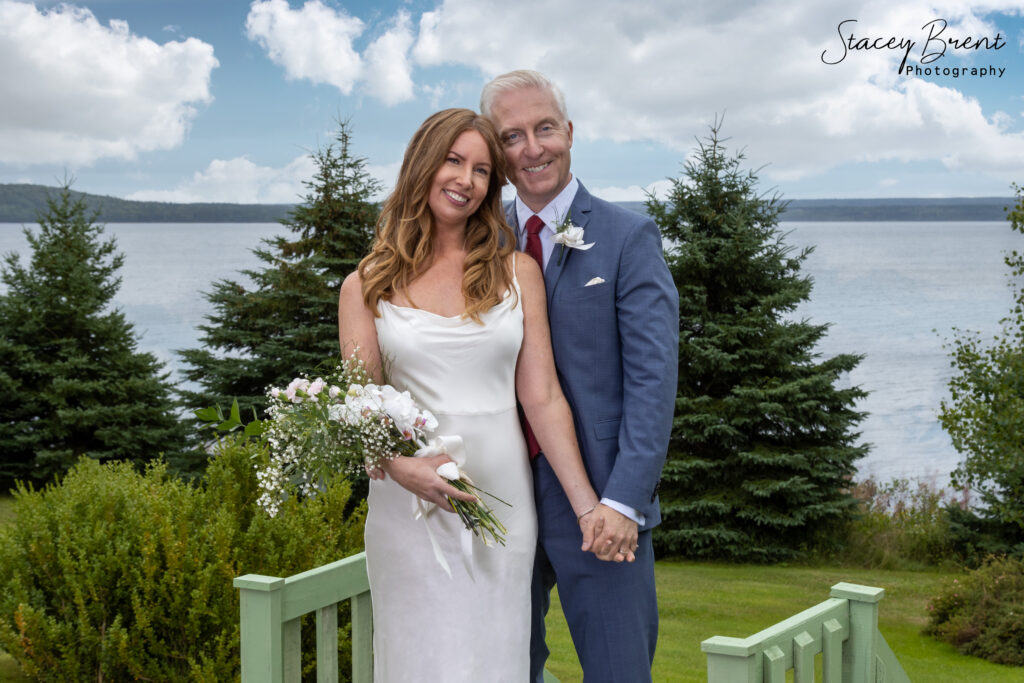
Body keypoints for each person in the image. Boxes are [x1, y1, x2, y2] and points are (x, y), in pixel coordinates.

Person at [337, 108, 602, 681]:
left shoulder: (516, 272)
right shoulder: (365, 285)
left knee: (492, 657)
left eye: (481, 170)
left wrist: (588, 506)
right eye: (453, 161)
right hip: (406, 505)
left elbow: (543, 398)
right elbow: (363, 407)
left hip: (499, 494)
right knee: (419, 657)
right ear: (422, 166)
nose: (465, 180)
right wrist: (400, 466)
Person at [481, 70, 679, 682]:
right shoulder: (477, 246)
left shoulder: (628, 237)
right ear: (496, 149)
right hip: (497, 493)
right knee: (504, 667)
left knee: (618, 669)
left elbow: (654, 380)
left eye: (544, 129)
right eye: (512, 137)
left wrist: (624, 500)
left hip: (600, 503)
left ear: (569, 132)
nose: (533, 148)